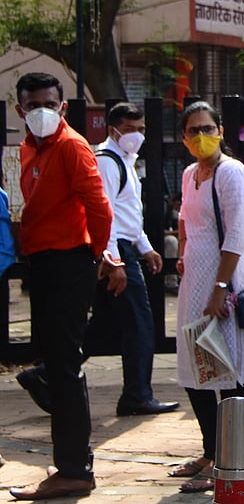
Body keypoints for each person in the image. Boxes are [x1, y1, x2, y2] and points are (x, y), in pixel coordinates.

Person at [10, 73, 118, 502]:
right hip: (45, 262)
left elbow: (99, 207)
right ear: (20, 110)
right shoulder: (29, 148)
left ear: (63, 107)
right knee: (58, 364)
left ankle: (74, 469)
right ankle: (71, 461)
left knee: (64, 367)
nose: (41, 110)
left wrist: (93, 256)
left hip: (69, 261)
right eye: (33, 104)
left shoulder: (72, 146)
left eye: (49, 103)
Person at [170, 102, 244, 494]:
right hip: (195, 281)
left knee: (228, 370)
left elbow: (237, 234)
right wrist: (183, 253)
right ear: (185, 137)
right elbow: (186, 219)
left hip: (225, 283)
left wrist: (221, 288)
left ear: (221, 130)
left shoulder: (232, 173)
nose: (201, 136)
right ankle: (209, 451)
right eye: (193, 130)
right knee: (196, 366)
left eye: (208, 128)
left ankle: (230, 458)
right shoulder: (191, 174)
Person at [93, 103, 178, 417]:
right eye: (130, 130)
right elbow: (106, 216)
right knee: (140, 323)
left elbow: (128, 213)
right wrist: (115, 258)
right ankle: (137, 395)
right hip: (116, 251)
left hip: (126, 246)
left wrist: (146, 246)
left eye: (141, 129)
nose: (137, 136)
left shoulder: (125, 161)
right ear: (114, 130)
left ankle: (45, 374)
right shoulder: (106, 161)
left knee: (104, 324)